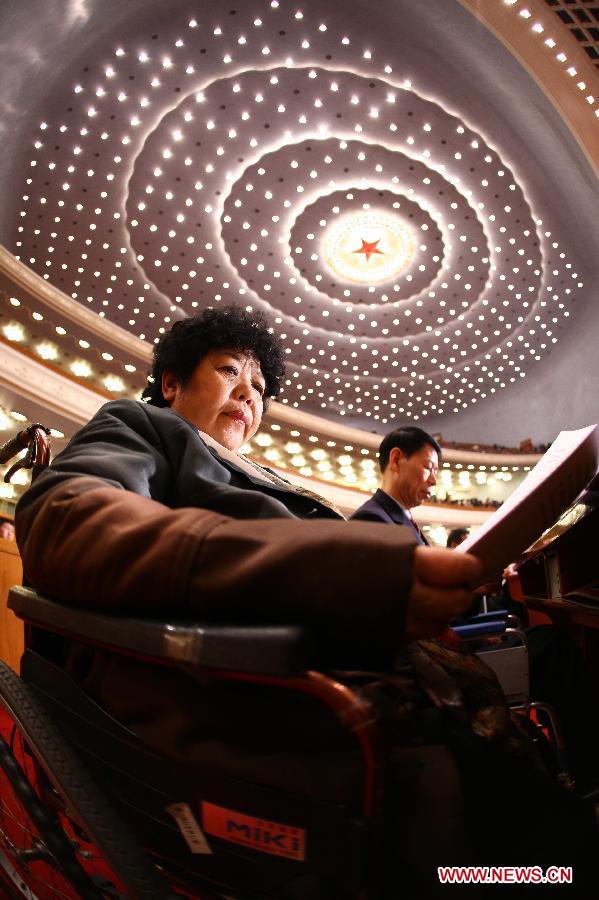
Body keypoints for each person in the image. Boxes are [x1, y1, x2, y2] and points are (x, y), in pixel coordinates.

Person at [14, 307, 596, 895]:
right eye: (229, 371)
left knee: (547, 757)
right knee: (537, 842)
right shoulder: (140, 425)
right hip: (247, 687)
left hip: (335, 664)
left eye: (261, 387)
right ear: (170, 383)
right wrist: (339, 574)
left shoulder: (265, 474)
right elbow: (64, 516)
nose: (249, 393)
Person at [350, 426, 440, 544]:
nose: (434, 481)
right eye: (428, 467)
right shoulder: (370, 521)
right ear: (396, 460)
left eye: (436, 471)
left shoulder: (403, 520)